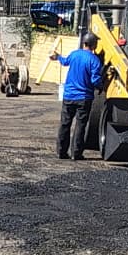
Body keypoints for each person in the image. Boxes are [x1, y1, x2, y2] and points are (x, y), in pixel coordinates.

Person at [52, 30, 105, 160]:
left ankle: (61, 152)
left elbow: (64, 62)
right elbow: (95, 80)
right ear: (94, 45)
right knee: (80, 125)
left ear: (84, 43)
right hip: (84, 98)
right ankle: (76, 153)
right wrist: (102, 86)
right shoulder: (94, 60)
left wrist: (57, 56)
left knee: (65, 123)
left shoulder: (74, 54)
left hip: (69, 95)